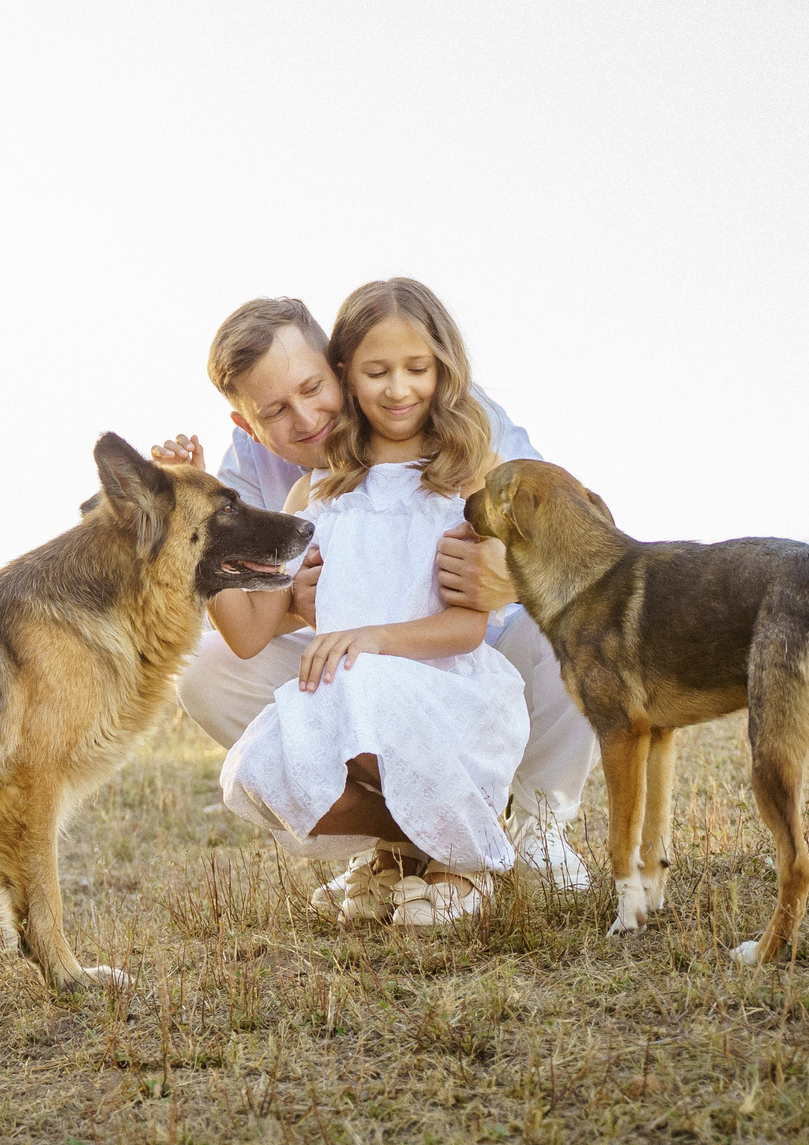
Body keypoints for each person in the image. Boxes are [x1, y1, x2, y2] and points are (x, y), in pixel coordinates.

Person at [154, 292, 598, 895]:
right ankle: (414, 836)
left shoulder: (447, 419)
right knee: (211, 675)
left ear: (338, 369)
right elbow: (248, 627)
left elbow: (572, 540)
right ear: (248, 425)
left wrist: (506, 571)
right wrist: (207, 527)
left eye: (313, 388)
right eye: (276, 410)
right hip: (352, 661)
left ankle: (539, 822)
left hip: (476, 653)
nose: (305, 419)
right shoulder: (288, 483)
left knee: (578, 616)